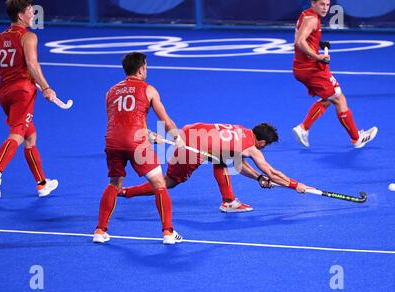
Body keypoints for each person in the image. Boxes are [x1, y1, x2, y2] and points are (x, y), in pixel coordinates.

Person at [93, 52, 184, 245]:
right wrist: (177, 138)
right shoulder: (149, 89)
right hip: (136, 142)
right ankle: (168, 232)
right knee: (160, 183)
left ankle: (100, 230)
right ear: (142, 69)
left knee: (114, 183)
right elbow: (165, 120)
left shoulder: (110, 92)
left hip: (112, 140)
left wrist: (148, 134)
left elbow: (120, 121)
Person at [119, 123, 311, 207]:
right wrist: (295, 185)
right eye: (265, 146)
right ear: (262, 143)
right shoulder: (252, 148)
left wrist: (259, 178)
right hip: (192, 146)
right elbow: (272, 171)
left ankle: (228, 201)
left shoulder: (241, 130)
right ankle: (126, 192)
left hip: (192, 131)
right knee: (170, 182)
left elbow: (237, 163)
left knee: (220, 159)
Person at [0, 0, 58, 199]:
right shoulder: (28, 37)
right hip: (23, 92)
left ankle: (42, 183)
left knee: (30, 136)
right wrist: (46, 87)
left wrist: (13, 69)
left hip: (4, 93)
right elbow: (32, 64)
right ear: (20, 15)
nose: (33, 15)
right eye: (30, 12)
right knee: (17, 134)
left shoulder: (0, 37)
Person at [292, 0, 378, 149]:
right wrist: (318, 56)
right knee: (339, 99)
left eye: (327, 4)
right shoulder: (312, 19)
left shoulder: (305, 15)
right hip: (311, 69)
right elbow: (299, 42)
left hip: (303, 67)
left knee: (330, 97)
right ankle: (356, 139)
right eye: (321, 4)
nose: (325, 8)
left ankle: (304, 128)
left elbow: (302, 38)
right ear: (313, 3)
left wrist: (316, 45)